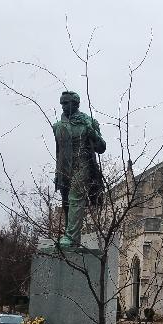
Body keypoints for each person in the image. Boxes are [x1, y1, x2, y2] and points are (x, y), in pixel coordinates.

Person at [52, 90, 106, 248]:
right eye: (61, 103)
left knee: (76, 198)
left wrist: (93, 134)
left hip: (82, 164)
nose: (63, 106)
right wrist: (57, 173)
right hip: (64, 168)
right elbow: (58, 152)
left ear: (75, 104)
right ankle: (70, 237)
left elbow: (101, 147)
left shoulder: (88, 122)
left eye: (66, 103)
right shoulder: (58, 126)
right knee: (67, 202)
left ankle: (71, 237)